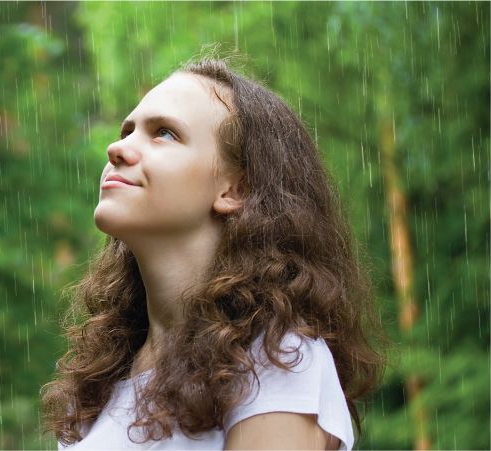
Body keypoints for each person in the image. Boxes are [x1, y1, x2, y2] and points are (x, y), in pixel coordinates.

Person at [40, 57, 385, 450]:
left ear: (234, 190)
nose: (117, 148)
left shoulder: (276, 358)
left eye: (164, 134)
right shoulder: (101, 383)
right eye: (127, 130)